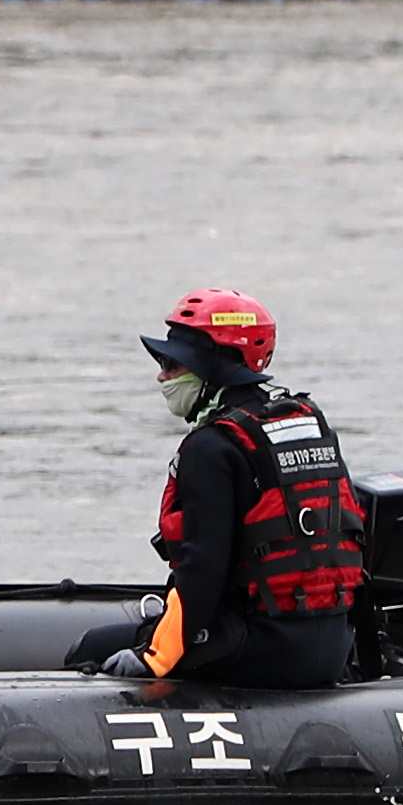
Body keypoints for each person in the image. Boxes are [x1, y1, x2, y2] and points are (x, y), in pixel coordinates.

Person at [64, 287, 365, 690]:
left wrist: (154, 659)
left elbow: (203, 571)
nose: (162, 376)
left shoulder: (211, 448)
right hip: (330, 650)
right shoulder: (310, 421)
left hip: (265, 652)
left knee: (90, 648)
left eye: (173, 364)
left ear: (213, 367)